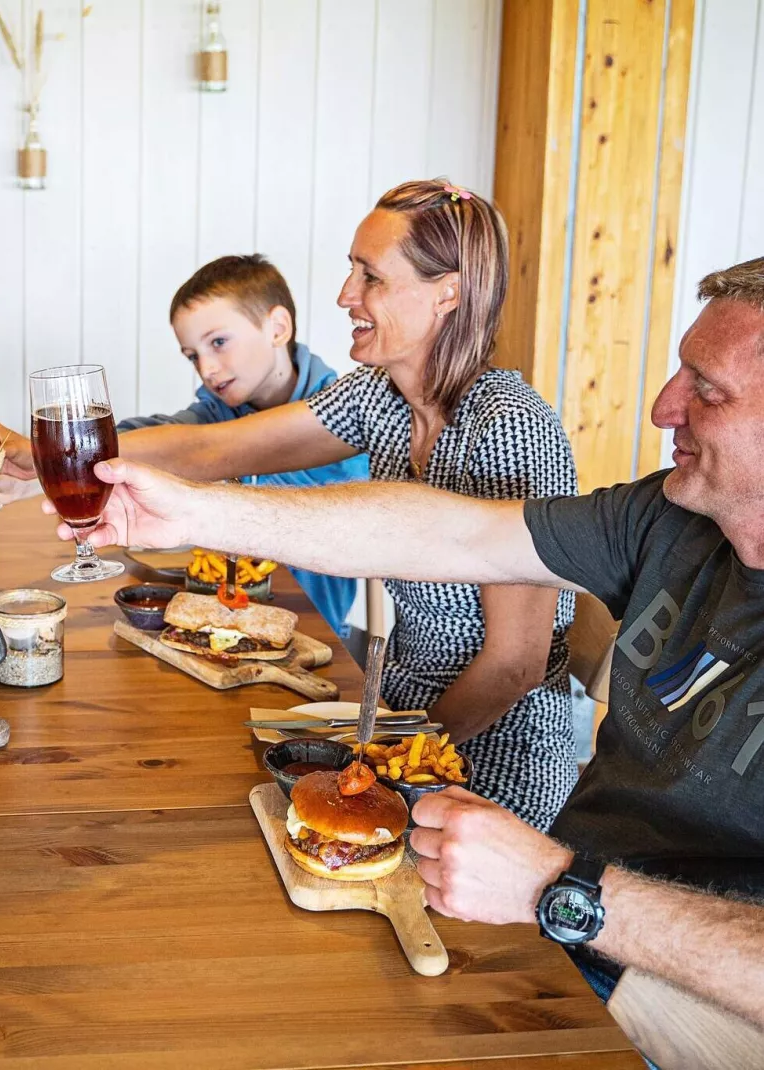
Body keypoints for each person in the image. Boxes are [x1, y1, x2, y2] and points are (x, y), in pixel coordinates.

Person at [55, 255, 764, 1029]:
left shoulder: (509, 421)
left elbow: (516, 662)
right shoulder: (666, 519)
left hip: (682, 1013)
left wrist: (563, 890)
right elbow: (448, 531)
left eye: (708, 389)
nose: (664, 409)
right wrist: (194, 514)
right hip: (562, 929)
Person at [35, 181, 579, 831]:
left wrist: (385, 765)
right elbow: (214, 450)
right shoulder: (383, 396)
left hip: (487, 769)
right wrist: (47, 457)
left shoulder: (510, 428)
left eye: (369, 276)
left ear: (449, 293)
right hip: (397, 723)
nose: (346, 295)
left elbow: (515, 664)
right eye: (352, 271)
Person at [0, 254, 366, 636]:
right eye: (193, 356)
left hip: (313, 627)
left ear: (277, 327)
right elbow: (165, 433)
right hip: (225, 620)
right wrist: (46, 466)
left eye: (219, 342)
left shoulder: (343, 415)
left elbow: (200, 450)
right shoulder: (220, 409)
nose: (206, 368)